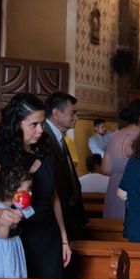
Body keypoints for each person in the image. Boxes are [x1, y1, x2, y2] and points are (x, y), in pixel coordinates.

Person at [0, 93, 71, 279]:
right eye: (33, 124)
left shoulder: (45, 151)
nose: (40, 130)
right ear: (16, 123)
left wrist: (63, 239)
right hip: (15, 239)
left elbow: (54, 198)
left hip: (47, 237)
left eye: (42, 123)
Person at [44, 92, 87, 236]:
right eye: (72, 113)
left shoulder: (60, 137)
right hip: (56, 217)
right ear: (56, 113)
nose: (76, 117)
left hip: (69, 213)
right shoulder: (44, 138)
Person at [101, 99, 140, 219]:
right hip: (137, 188)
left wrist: (119, 170)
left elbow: (105, 169)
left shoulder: (113, 136)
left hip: (115, 189)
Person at [0, 165, 31, 278]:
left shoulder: (14, 207)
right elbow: (2, 235)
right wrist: (7, 223)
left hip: (14, 246)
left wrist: (21, 211)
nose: (30, 194)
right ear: (10, 191)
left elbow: (29, 214)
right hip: (4, 251)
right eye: (27, 190)